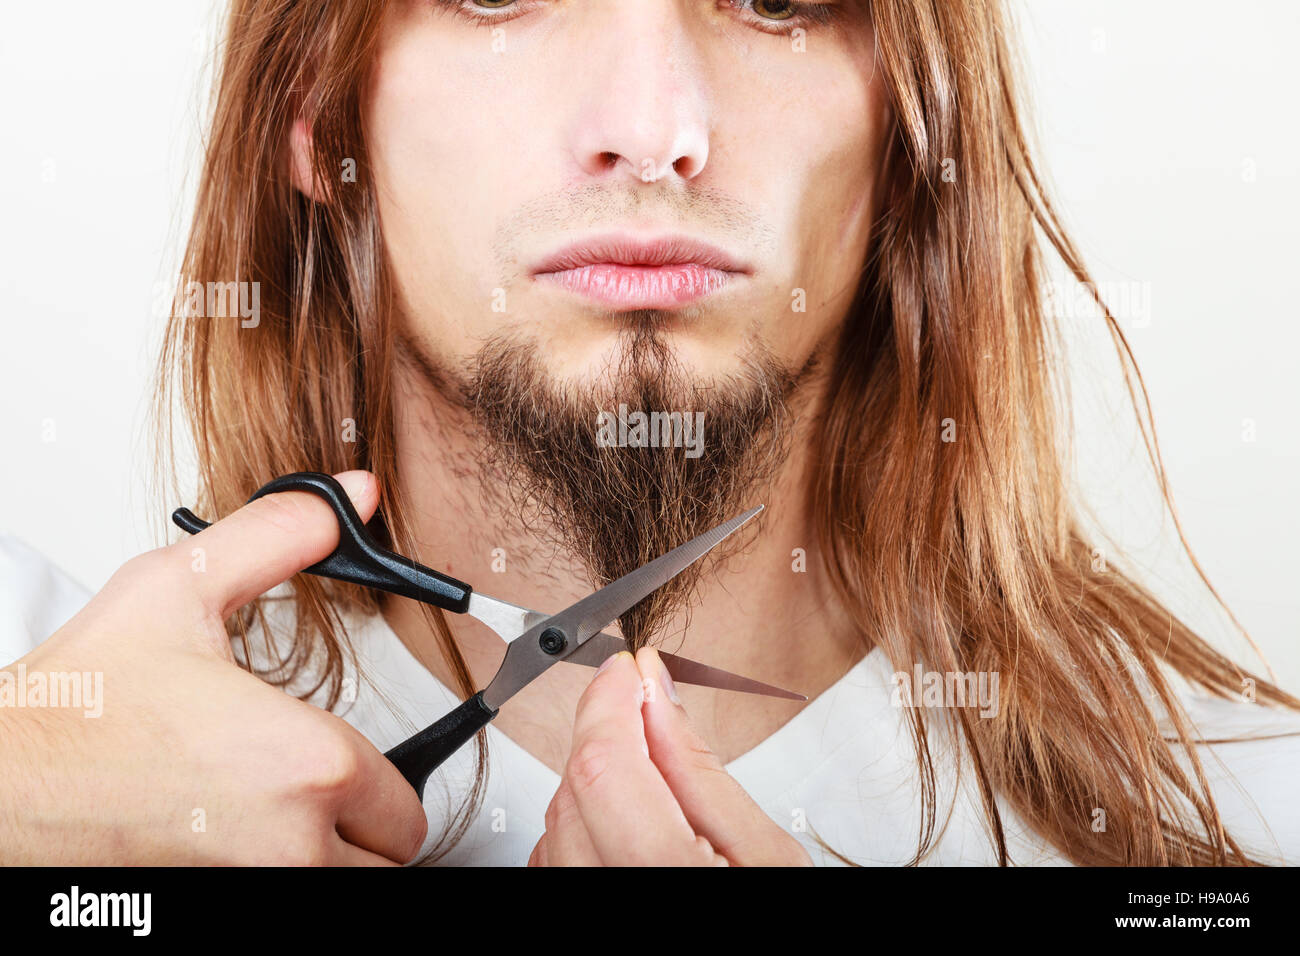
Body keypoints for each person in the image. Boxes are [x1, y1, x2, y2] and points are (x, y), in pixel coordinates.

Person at [2, 0, 1297, 866]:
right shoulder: (32, 691)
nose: (654, 128)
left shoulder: (1245, 821)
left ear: (915, 128)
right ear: (316, 116)